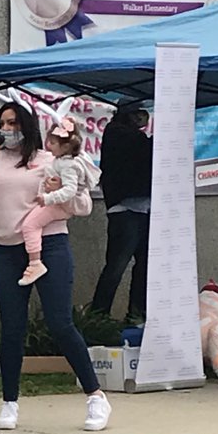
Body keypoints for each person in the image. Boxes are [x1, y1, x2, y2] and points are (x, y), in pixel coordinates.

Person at [0, 99, 110, 434]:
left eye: (14, 123)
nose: (7, 130)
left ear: (29, 126)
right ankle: (10, 402)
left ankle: (95, 395)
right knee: (12, 327)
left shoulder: (49, 159)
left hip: (49, 244)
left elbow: (82, 204)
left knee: (60, 322)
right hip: (6, 250)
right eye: (2, 123)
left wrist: (55, 191)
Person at [90, 102, 153, 327]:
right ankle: (97, 316)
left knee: (144, 266)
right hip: (124, 210)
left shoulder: (132, 136)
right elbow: (142, 150)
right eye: (137, 114)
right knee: (116, 266)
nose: (142, 119)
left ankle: (136, 314)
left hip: (143, 208)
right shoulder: (117, 133)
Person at [18, 118, 89, 286]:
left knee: (30, 225)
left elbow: (70, 190)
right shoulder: (60, 161)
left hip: (56, 206)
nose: (48, 146)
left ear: (65, 147)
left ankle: (35, 262)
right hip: (55, 203)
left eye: (52, 142)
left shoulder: (69, 165)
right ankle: (35, 262)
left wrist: (48, 197)